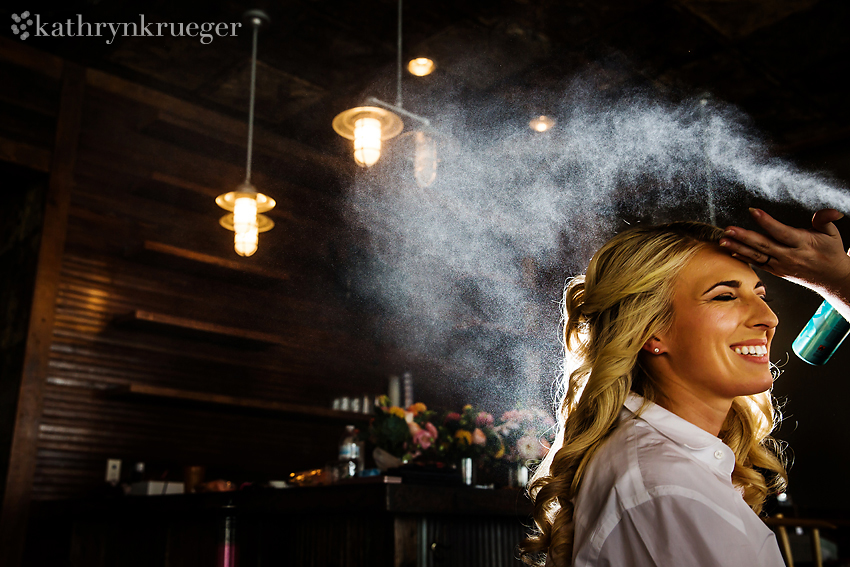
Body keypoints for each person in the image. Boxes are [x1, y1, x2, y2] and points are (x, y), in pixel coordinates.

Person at [520, 208, 850, 567]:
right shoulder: (669, 489)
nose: (768, 318)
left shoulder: (663, 469)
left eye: (761, 294)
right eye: (725, 296)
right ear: (651, 330)